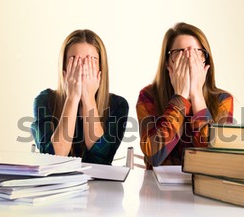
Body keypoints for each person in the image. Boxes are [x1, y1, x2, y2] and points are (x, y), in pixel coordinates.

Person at [136, 22, 233, 169]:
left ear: (205, 61)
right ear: (167, 62)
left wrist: (197, 96)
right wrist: (180, 98)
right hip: (159, 190)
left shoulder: (223, 100)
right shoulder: (149, 96)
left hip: (205, 188)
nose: (189, 60)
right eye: (180, 53)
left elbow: (218, 160)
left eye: (196, 53)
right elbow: (153, 154)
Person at [31, 29, 128, 165]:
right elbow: (53, 157)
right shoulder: (45, 100)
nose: (82, 69)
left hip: (101, 185)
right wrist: (72, 98)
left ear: (101, 69)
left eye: (91, 62)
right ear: (64, 68)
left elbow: (102, 158)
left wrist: (88, 99)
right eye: (75, 61)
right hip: (57, 184)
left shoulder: (118, 104)